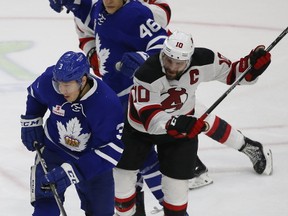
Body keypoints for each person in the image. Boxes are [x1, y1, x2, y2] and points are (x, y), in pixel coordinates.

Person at [113, 31, 273, 215]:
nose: (172, 67)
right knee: (122, 182)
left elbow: (234, 74)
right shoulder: (147, 74)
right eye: (168, 60)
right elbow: (152, 121)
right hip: (139, 131)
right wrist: (177, 123)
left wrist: (251, 68)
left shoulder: (204, 59)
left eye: (179, 63)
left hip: (179, 126)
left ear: (189, 59)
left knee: (176, 194)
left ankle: (247, 147)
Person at [20, 51, 124, 216]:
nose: (61, 90)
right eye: (58, 84)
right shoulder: (50, 79)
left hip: (91, 160)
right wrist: (31, 120)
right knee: (45, 208)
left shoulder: (106, 103)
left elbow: (112, 151)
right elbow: (36, 95)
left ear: (82, 80)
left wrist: (73, 171)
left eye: (67, 85)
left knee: (102, 213)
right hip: (53, 150)